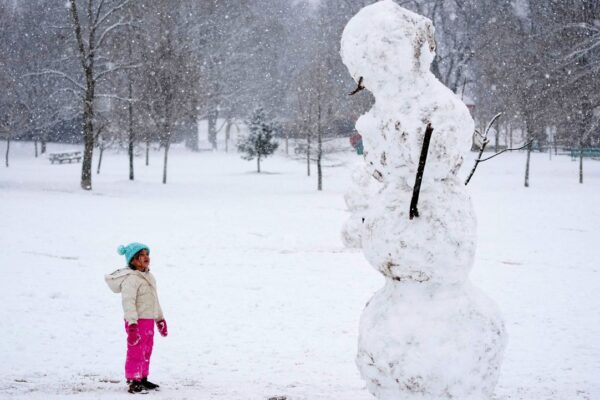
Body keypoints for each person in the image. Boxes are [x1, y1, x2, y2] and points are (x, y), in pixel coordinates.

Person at [105, 242, 168, 394]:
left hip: (148, 321)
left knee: (146, 350)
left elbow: (154, 299)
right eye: (142, 255)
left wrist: (159, 319)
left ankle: (143, 378)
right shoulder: (131, 279)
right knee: (136, 351)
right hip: (136, 321)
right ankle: (134, 380)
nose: (147, 257)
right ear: (133, 259)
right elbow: (128, 302)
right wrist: (132, 324)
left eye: (148, 254)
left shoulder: (149, 276)